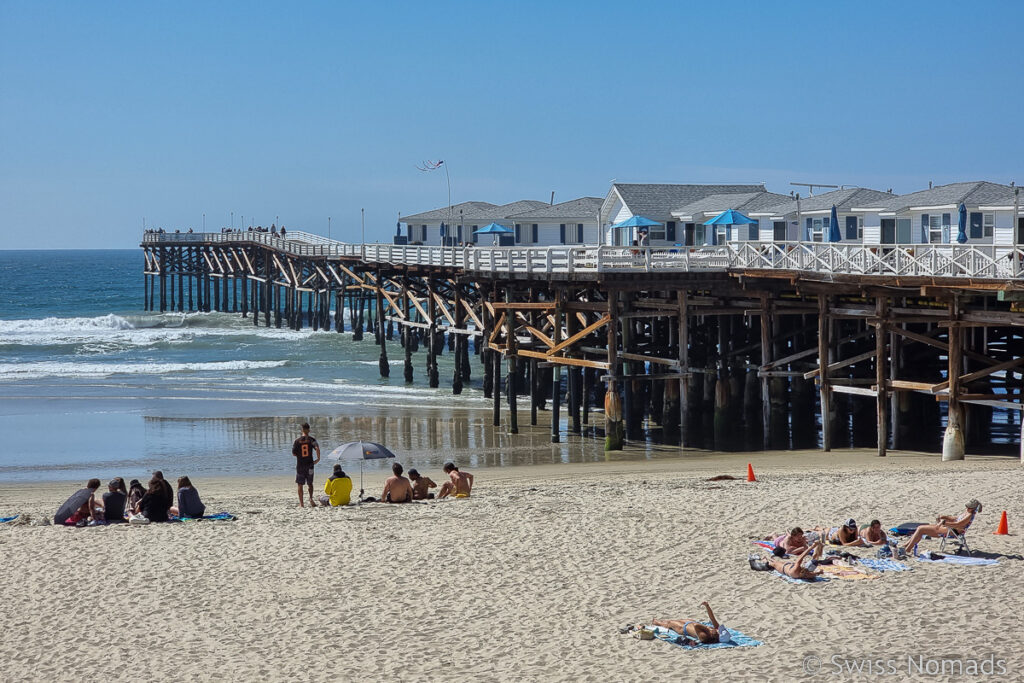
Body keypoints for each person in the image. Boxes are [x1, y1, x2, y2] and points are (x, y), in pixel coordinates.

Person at [899, 499, 981, 555]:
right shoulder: (967, 512)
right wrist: (944, 516)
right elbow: (955, 519)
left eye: (968, 507)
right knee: (921, 528)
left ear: (972, 508)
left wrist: (944, 523)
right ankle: (906, 546)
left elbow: (958, 524)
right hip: (951, 529)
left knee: (921, 529)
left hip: (952, 531)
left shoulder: (969, 515)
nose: (966, 508)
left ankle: (907, 549)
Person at [652, 602, 732, 645]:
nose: (718, 630)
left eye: (719, 632)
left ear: (717, 636)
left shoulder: (705, 637)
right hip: (690, 623)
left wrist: (708, 629)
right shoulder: (715, 631)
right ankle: (661, 622)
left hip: (683, 629)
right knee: (672, 621)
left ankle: (655, 622)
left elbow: (696, 626)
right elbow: (712, 618)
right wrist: (707, 606)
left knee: (670, 623)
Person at [751, 540, 825, 580]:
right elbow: (815, 573)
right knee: (775, 562)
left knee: (772, 563)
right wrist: (819, 572)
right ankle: (766, 560)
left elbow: (801, 557)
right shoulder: (809, 575)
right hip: (787, 568)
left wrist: (811, 547)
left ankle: (764, 560)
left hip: (782, 567)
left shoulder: (796, 569)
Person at [291, 422, 321, 507]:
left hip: (300, 465)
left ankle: (301, 503)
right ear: (309, 430)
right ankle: (311, 498)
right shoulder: (312, 439)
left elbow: (293, 453)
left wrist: (299, 455)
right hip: (310, 464)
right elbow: (317, 448)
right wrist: (318, 459)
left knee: (300, 484)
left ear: (302, 430)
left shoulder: (297, 441)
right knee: (310, 483)